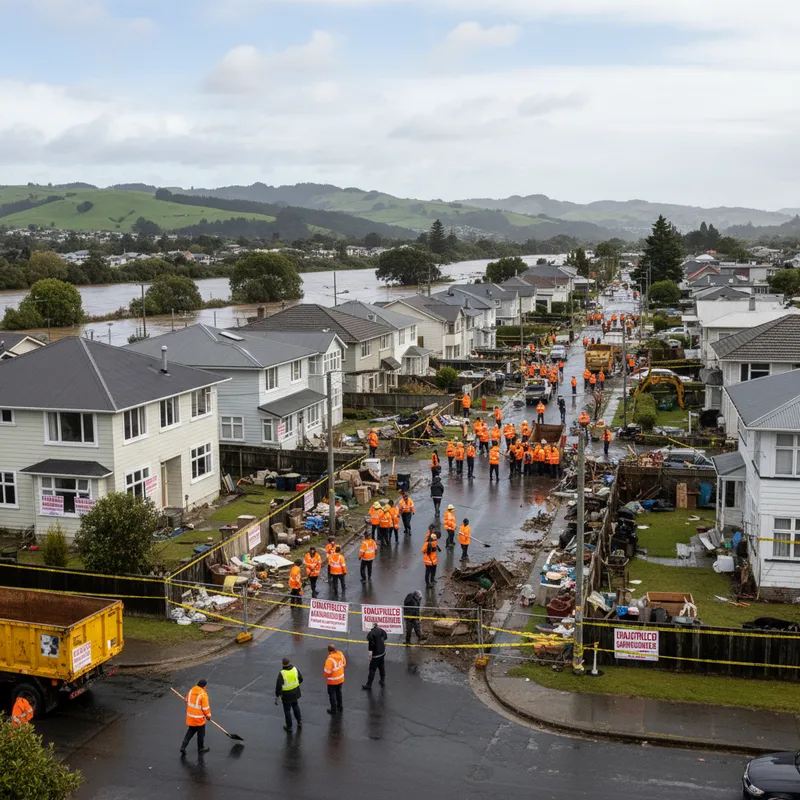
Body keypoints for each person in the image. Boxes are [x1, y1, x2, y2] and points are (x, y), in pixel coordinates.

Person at [180, 679, 211, 755]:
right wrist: (208, 716)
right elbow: (205, 708)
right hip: (199, 719)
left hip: (191, 717)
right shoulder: (203, 695)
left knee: (190, 732)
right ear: (204, 687)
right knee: (201, 734)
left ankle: (183, 746)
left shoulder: (191, 690)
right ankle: (201, 748)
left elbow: (186, 700)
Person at [275, 657, 303, 732]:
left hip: (286, 695)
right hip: (295, 692)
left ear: (282, 664)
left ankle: (289, 727)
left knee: (287, 710)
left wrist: (277, 695)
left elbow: (278, 686)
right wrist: (296, 685)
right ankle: (299, 721)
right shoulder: (295, 669)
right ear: (289, 662)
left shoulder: (282, 673)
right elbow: (301, 679)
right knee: (295, 706)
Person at [362, 623, 387, 690]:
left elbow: (371, 646)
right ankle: (382, 680)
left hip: (375, 655)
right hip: (382, 652)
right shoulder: (381, 630)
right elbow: (385, 637)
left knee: (372, 670)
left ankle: (369, 684)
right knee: (381, 667)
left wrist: (370, 655)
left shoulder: (371, 634)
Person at [323, 644, 346, 715]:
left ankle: (334, 709)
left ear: (328, 650)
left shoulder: (329, 660)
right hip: (341, 679)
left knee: (332, 695)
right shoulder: (341, 654)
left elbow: (327, 672)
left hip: (332, 681)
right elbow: (344, 664)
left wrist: (326, 676)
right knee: (339, 692)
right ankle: (340, 706)